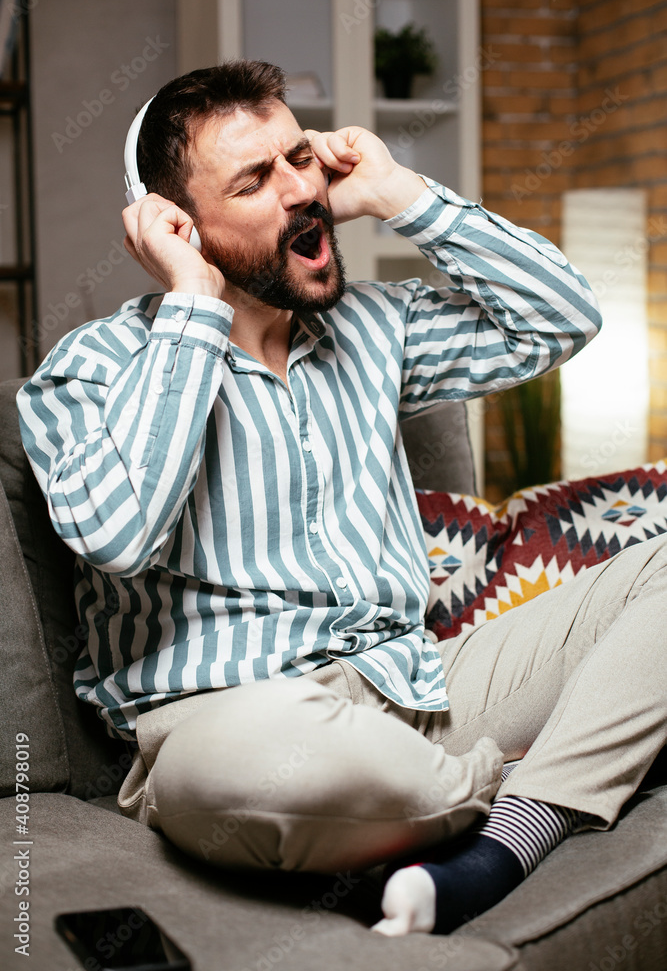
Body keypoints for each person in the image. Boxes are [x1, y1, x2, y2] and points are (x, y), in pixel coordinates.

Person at [17, 60, 667, 937]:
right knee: (275, 769)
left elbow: (560, 316)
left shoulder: (374, 326)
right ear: (175, 223)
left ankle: (509, 830)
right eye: (254, 180)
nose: (300, 192)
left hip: (421, 682)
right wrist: (194, 305)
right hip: (234, 719)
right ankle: (544, 765)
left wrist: (401, 192)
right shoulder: (91, 370)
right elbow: (117, 535)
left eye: (300, 158)